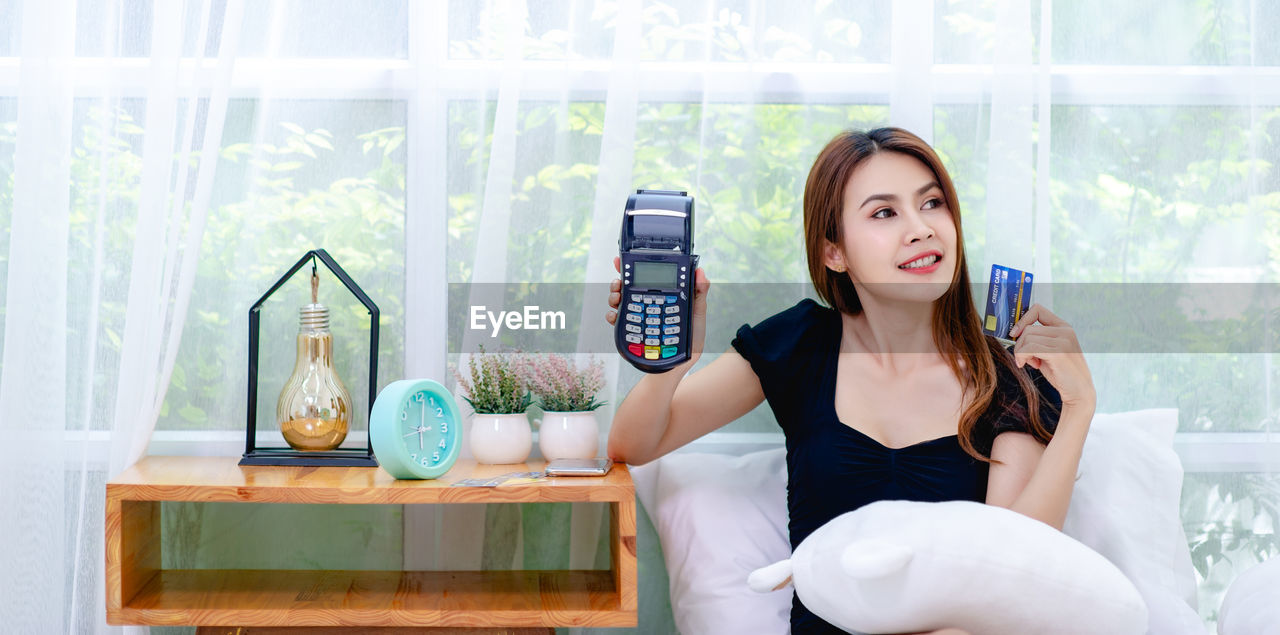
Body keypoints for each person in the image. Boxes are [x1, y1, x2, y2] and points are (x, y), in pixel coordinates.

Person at [604, 127, 1096, 635]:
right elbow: (635, 444)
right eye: (885, 213)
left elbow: (1016, 565)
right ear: (833, 252)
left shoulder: (1005, 377)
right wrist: (676, 359)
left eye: (932, 204)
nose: (921, 228)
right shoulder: (801, 343)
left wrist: (1078, 408)